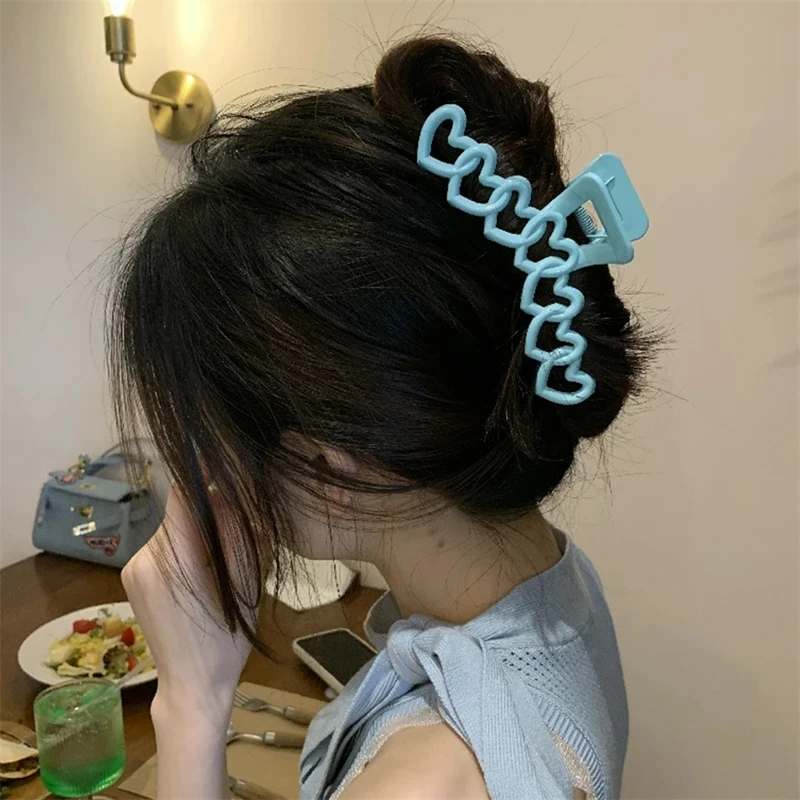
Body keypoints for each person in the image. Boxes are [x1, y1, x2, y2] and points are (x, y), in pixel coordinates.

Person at [110, 35, 653, 800]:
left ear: (327, 464)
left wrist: (192, 705)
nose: (210, 470)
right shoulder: (550, 583)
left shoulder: (428, 783)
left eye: (216, 432)